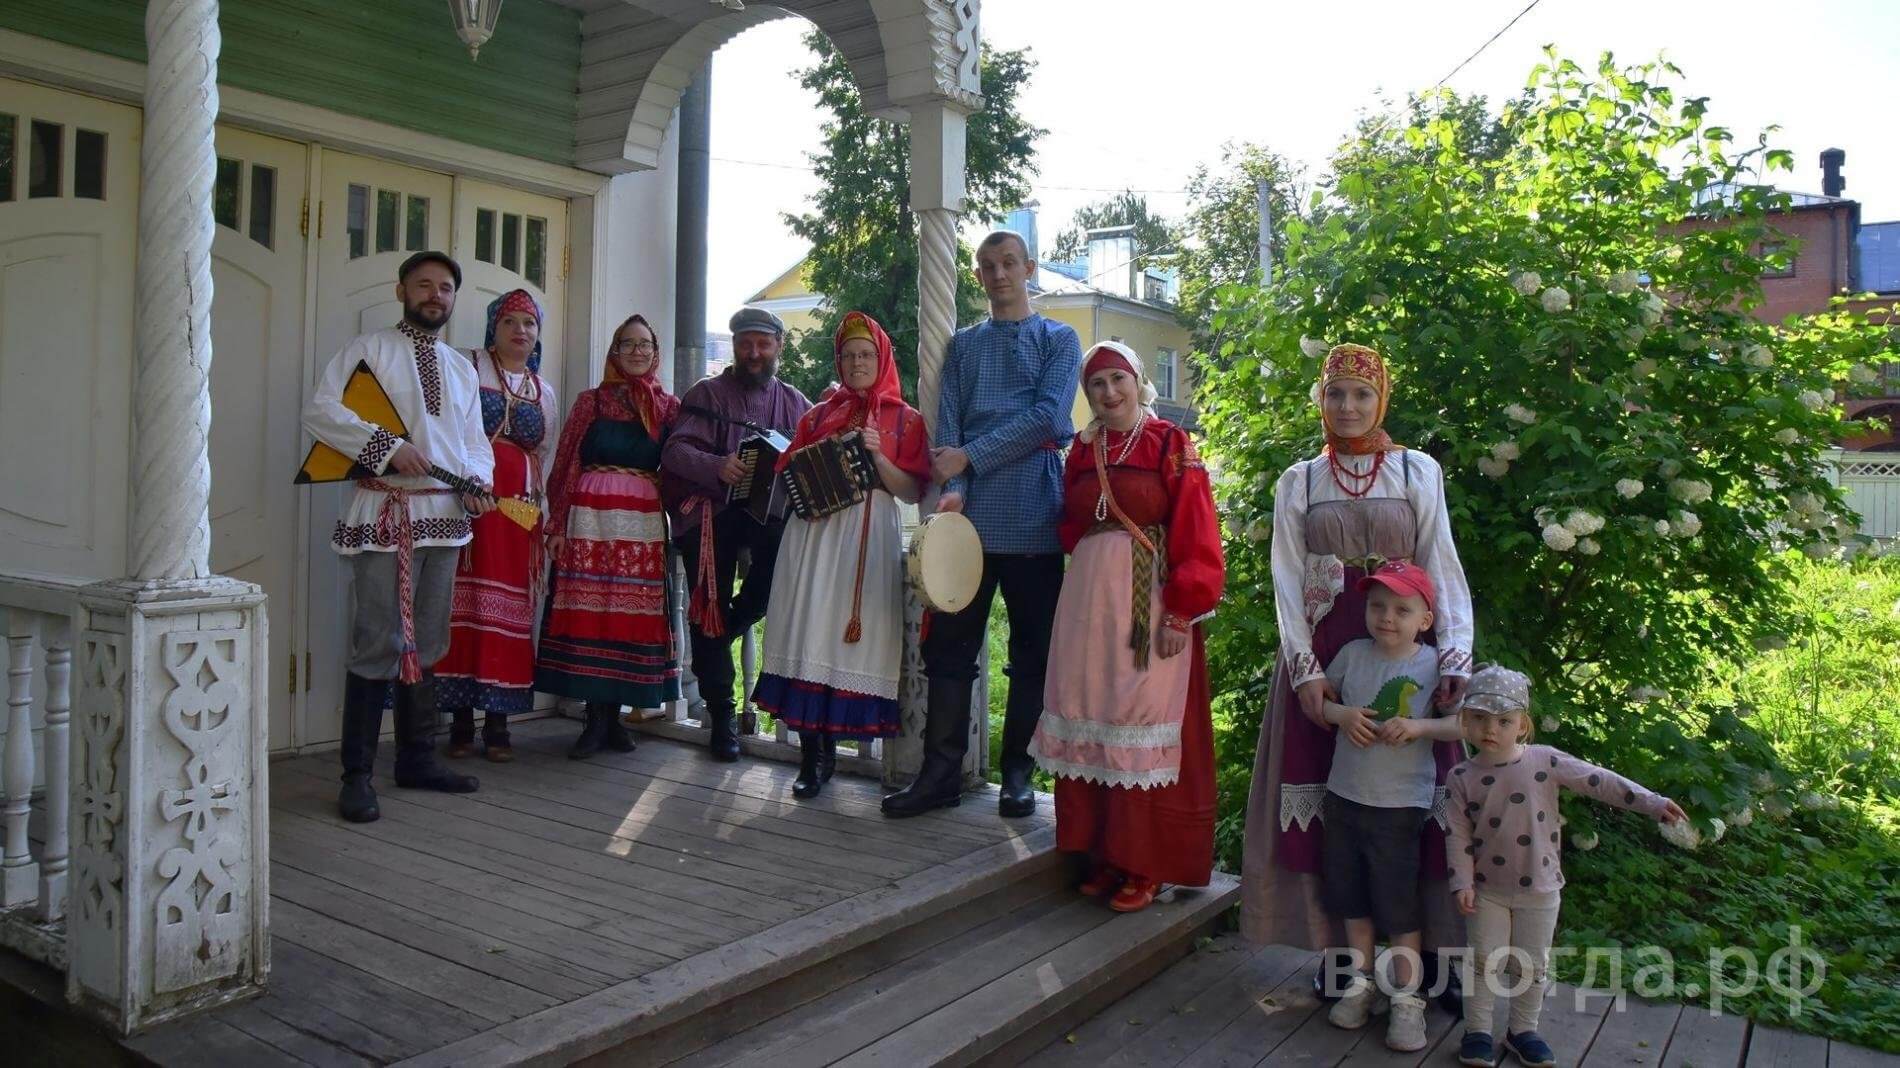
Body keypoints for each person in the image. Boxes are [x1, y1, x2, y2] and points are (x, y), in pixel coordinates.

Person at [1238, 342, 1475, 1003]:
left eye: (1361, 394)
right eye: (1335, 393)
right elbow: (1286, 580)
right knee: (1330, 812)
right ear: (1321, 400)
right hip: (1330, 662)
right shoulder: (1300, 481)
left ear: (1383, 400)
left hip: (1408, 654)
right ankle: (1340, 956)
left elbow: (1442, 565)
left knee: (1416, 803)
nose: (1347, 406)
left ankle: (1430, 960)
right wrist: (1306, 672)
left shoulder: (1417, 471)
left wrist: (1454, 653)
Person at [884, 230, 1082, 819]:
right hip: (965, 522)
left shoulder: (1058, 338)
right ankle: (940, 773)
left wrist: (972, 458)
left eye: (1009, 264)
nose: (999, 274)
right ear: (977, 275)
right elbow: (949, 424)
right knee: (949, 647)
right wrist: (955, 490)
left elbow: (1050, 416)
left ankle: (1017, 772)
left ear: (1030, 268)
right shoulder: (965, 346)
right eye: (988, 266)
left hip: (1033, 513)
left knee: (1031, 650)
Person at [1027, 342, 1224, 911]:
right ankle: (1103, 856)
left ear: (1138, 382)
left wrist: (1182, 610)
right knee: (1094, 713)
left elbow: (1196, 525)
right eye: (1097, 386)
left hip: (1149, 601)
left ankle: (1147, 865)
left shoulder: (1169, 443)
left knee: (1140, 717)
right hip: (1090, 603)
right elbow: (1071, 524)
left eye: (1118, 380)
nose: (1109, 393)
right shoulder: (1083, 452)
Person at [302, 250, 491, 823]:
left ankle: (417, 758)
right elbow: (320, 411)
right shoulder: (368, 350)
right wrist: (386, 448)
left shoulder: (460, 367)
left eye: (445, 288)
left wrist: (479, 482)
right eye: (424, 285)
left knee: (429, 640)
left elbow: (474, 441)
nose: (435, 295)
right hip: (385, 514)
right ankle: (356, 774)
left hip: (445, 516)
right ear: (401, 289)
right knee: (379, 639)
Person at [1447, 665, 1686, 1068]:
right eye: (1480, 719)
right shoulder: (1461, 776)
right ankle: (1477, 1032)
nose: (1491, 730)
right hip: (1486, 889)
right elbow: (1456, 834)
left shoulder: (1545, 761)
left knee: (1532, 963)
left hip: (1540, 888)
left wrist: (1652, 802)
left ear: (1522, 725)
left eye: (1503, 721)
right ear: (1465, 721)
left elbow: (1600, 780)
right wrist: (1461, 882)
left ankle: (1522, 1030)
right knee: (1484, 960)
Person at [753, 312, 930, 798]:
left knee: (848, 639)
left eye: (866, 355)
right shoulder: (815, 416)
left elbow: (912, 489)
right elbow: (790, 475)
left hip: (866, 534)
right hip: (813, 534)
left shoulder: (904, 418)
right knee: (810, 629)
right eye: (849, 355)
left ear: (882, 358)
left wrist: (877, 457)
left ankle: (833, 744)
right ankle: (812, 755)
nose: (857, 363)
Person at [1313, 561, 1465, 1051]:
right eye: (1377, 606)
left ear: (1424, 619)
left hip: (1400, 807)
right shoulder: (1352, 654)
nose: (1387, 618)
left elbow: (1463, 726)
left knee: (1398, 906)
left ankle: (1407, 999)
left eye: (1402, 610)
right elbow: (1320, 704)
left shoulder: (1435, 664)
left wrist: (1420, 727)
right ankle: (1361, 987)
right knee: (1351, 900)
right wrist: (1341, 715)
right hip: (1343, 797)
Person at [661, 307, 812, 761]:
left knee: (775, 571)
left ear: (778, 348)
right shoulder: (707, 393)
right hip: (712, 511)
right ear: (735, 346)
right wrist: (716, 466)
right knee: (707, 596)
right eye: (746, 343)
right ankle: (723, 718)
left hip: (766, 516)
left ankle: (721, 632)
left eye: (763, 344)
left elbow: (816, 448)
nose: (754, 352)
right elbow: (674, 450)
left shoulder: (794, 402)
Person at [535, 315, 682, 758]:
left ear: (655, 353)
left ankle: (613, 719)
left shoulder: (669, 408)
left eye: (645, 344)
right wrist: (556, 524)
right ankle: (593, 721)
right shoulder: (591, 402)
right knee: (589, 611)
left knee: (628, 615)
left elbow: (679, 466)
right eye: (628, 344)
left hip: (641, 525)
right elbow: (564, 464)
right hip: (589, 520)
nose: (637, 351)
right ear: (614, 352)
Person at [435, 289, 559, 762]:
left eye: (529, 324)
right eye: (511, 321)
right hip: (471, 502)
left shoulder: (541, 390)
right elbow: (448, 430)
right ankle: (462, 724)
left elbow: (543, 454)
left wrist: (541, 515)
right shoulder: (467, 368)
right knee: (461, 608)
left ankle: (500, 722)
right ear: (494, 327)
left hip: (518, 512)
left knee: (508, 612)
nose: (520, 331)